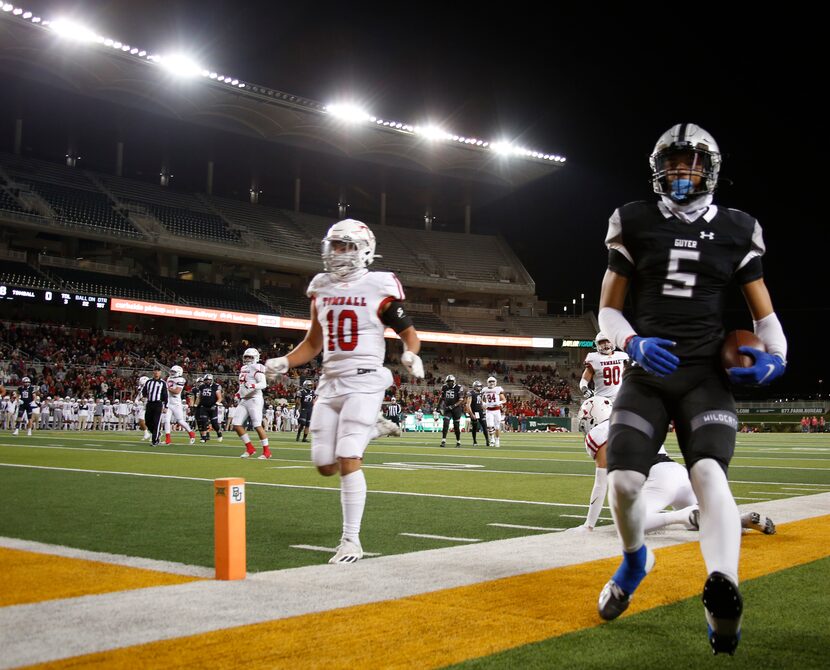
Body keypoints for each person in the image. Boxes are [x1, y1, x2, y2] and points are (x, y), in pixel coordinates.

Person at [594, 123, 787, 655]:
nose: (682, 173)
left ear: (710, 169)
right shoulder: (632, 220)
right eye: (673, 164)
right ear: (658, 168)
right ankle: (636, 560)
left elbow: (763, 314)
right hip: (649, 370)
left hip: (705, 371)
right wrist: (631, 343)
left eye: (692, 164)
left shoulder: (737, 228)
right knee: (624, 485)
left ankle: (722, 589)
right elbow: (608, 308)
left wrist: (777, 359)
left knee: (707, 472)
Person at [265, 218, 424, 564]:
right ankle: (374, 428)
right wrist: (286, 361)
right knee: (325, 464)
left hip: (365, 379)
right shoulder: (320, 288)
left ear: (364, 250)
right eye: (335, 245)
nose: (338, 253)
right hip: (330, 382)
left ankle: (351, 541)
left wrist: (410, 353)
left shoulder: (378, 286)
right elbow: (312, 343)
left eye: (346, 246)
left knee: (349, 455)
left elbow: (408, 331)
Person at [573, 398, 776, 535]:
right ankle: (740, 520)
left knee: (629, 525)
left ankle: (681, 515)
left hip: (658, 477)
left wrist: (589, 525)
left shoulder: (598, 433)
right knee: (706, 523)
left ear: (593, 417)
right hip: (680, 473)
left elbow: (601, 484)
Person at [236, 348, 271, 459]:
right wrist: (238, 393)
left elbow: (263, 384)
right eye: (246, 357)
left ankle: (267, 452)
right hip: (244, 399)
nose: (247, 359)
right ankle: (250, 448)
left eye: (250, 357)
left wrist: (253, 386)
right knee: (236, 424)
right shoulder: (243, 368)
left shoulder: (258, 367)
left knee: (257, 425)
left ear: (255, 357)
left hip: (255, 399)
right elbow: (242, 385)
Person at [579, 332, 629, 400]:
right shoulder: (594, 358)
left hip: (619, 398)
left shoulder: (622, 356)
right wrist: (584, 388)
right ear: (597, 344)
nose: (606, 344)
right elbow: (584, 379)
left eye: (608, 341)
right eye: (602, 342)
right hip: (600, 399)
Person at [164, 365, 196, 445]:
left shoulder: (181, 379)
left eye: (173, 372)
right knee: (166, 421)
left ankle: (191, 434)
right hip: (168, 402)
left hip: (176, 403)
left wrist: (166, 389)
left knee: (180, 421)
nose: (171, 373)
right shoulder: (169, 378)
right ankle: (168, 440)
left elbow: (177, 391)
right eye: (171, 371)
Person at [141, 367, 168, 446]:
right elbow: (144, 391)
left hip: (158, 404)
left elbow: (165, 395)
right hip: (149, 403)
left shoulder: (163, 383)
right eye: (155, 371)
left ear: (160, 373)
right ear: (153, 372)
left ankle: (154, 440)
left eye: (158, 371)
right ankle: (157, 434)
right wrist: (143, 396)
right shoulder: (149, 382)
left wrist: (165, 406)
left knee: (156, 422)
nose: (156, 372)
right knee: (148, 421)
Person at [194, 373, 223, 443]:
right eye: (206, 380)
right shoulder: (202, 387)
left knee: (214, 423)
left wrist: (215, 405)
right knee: (203, 421)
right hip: (204, 407)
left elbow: (220, 398)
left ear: (212, 380)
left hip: (213, 407)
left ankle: (219, 433)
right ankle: (204, 437)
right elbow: (199, 397)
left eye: (208, 380)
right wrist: (195, 405)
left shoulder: (216, 386)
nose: (207, 381)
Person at [438, 375, 465, 448]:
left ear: (454, 381)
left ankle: (458, 441)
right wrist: (438, 407)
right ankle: (443, 440)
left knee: (456, 426)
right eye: (448, 382)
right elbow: (442, 398)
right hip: (447, 408)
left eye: (451, 381)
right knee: (445, 423)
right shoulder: (444, 387)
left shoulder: (458, 387)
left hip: (456, 409)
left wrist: (453, 406)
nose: (449, 383)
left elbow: (461, 400)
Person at [481, 376, 506, 448]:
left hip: (497, 410)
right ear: (487, 382)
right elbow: (482, 399)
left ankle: (497, 439)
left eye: (493, 381)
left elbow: (504, 400)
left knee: (497, 427)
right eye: (490, 381)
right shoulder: (484, 390)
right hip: (489, 410)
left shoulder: (498, 389)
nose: (491, 383)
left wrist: (499, 402)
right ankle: (492, 439)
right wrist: (484, 403)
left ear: (495, 382)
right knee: (489, 425)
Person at [465, 380, 490, 446]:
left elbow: (481, 402)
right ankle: (474, 441)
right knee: (474, 427)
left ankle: (487, 441)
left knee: (484, 426)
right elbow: (468, 405)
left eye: (480, 386)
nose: (480, 388)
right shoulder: (471, 393)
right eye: (478, 386)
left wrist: (484, 408)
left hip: (480, 411)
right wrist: (471, 414)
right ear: (475, 387)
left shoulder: (481, 393)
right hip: (474, 412)